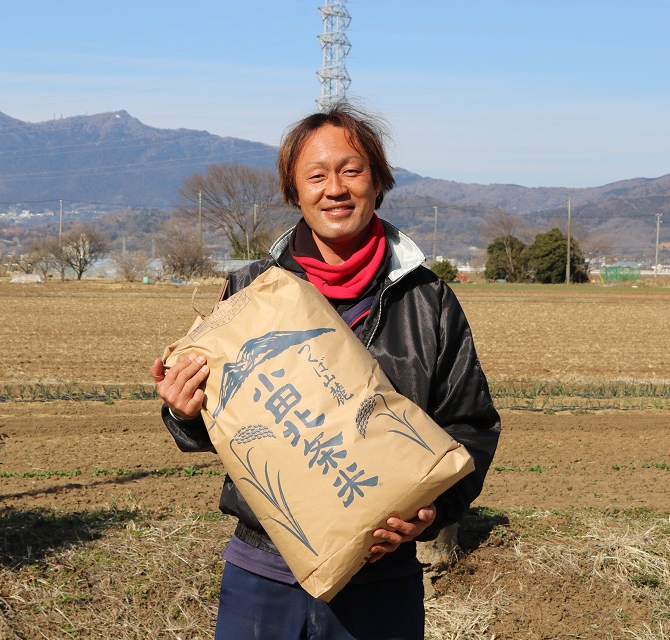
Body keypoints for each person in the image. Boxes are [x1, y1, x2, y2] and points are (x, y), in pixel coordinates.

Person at [150, 103, 501, 640]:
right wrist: (184, 413)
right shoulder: (250, 291)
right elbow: (215, 426)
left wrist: (432, 509)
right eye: (315, 176)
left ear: (378, 181)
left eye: (351, 170)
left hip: (383, 578)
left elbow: (470, 425)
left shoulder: (427, 300)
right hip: (262, 575)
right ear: (294, 192)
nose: (334, 188)